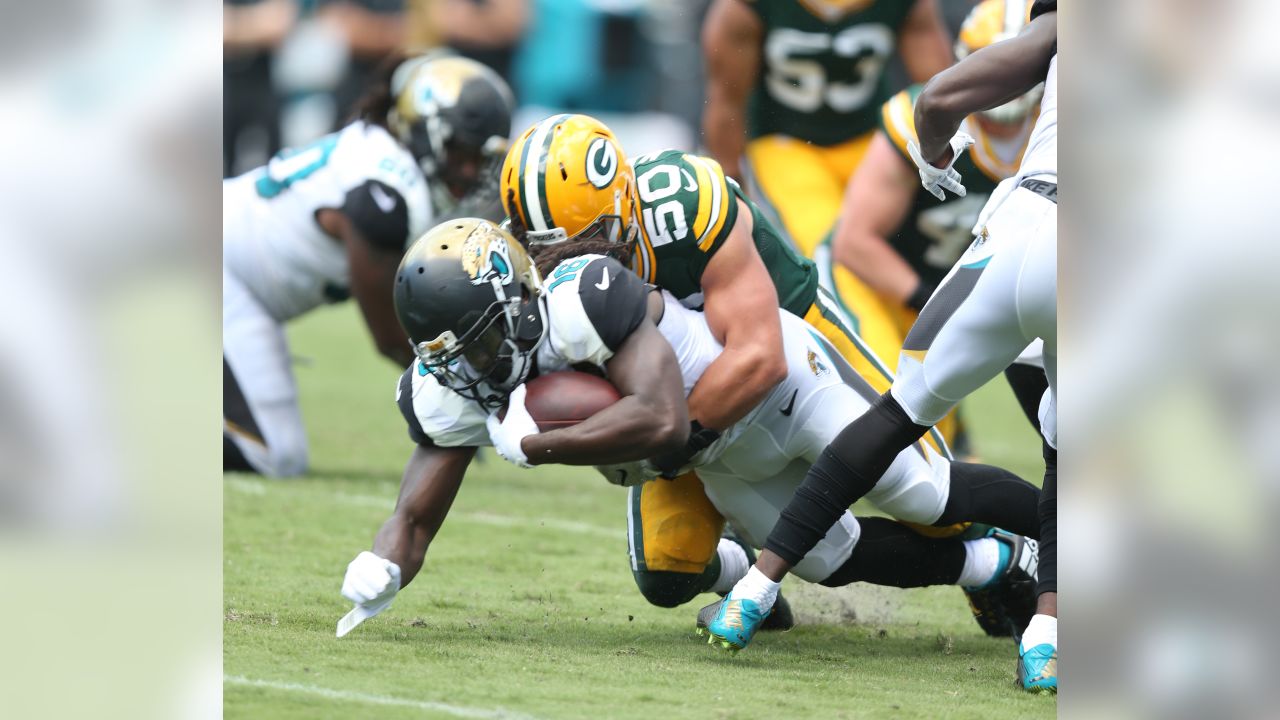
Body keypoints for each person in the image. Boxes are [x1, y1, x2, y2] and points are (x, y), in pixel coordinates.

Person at [337, 218, 1041, 639]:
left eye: (481, 346)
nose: (474, 372)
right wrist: (386, 565)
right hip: (724, 463)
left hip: (784, 389)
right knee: (830, 558)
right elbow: (415, 512)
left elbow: (665, 417)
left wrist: (538, 443)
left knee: (923, 494)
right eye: (453, 360)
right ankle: (996, 565)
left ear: (517, 302)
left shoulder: (583, 297)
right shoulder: (458, 378)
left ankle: (1064, 529)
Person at [497, 113, 1036, 623]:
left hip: (791, 347)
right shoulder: (529, 272)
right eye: (548, 251)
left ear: (623, 204)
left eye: (584, 242)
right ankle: (740, 564)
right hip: (683, 401)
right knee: (669, 569)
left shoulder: (681, 205)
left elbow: (758, 358)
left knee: (935, 508)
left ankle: (1030, 553)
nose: (568, 263)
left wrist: (658, 446)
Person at [704, 1, 1057, 695]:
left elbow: (942, 94)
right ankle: (1048, 637)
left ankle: (752, 590)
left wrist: (934, 148)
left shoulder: (1055, 36)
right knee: (1069, 457)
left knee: (895, 419)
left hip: (1016, 231)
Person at [223, 53, 514, 477]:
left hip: (243, 284)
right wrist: (479, 390)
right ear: (421, 129)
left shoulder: (385, 161)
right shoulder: (385, 195)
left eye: (479, 159)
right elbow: (393, 335)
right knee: (271, 454)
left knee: (277, 453)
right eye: (458, 151)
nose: (468, 171)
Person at [820, 0, 1049, 439]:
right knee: (895, 405)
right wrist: (934, 301)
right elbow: (854, 240)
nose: (1006, 82)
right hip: (881, 283)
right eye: (992, 64)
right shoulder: (918, 115)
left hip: (965, 287)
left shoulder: (1055, 126)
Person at [701, 0, 952, 260]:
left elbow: (940, 93)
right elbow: (727, 101)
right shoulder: (745, 7)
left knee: (901, 250)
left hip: (870, 137)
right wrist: (731, 187)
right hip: (785, 145)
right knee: (828, 255)